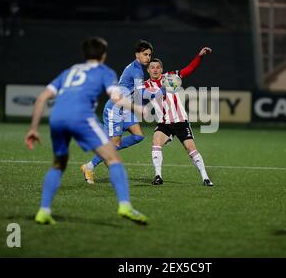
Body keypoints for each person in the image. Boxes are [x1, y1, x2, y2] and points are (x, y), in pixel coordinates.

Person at [25, 37, 148, 225]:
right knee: (113, 157)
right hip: (81, 117)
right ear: (103, 55)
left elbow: (42, 98)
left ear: (84, 54)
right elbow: (116, 99)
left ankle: (43, 211)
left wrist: (33, 129)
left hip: (57, 117)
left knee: (58, 164)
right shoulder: (105, 72)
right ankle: (124, 205)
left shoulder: (69, 71)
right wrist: (139, 108)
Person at [80, 40, 153, 184]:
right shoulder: (137, 70)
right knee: (115, 143)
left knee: (138, 136)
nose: (148, 58)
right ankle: (89, 166)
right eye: (145, 54)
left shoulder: (136, 67)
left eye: (150, 55)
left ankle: (109, 151)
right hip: (115, 109)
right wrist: (158, 92)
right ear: (137, 54)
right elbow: (140, 95)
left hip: (125, 108)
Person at [145, 47, 214, 186]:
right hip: (164, 123)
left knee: (191, 148)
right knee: (156, 142)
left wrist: (199, 56)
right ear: (148, 70)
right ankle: (158, 176)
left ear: (162, 69)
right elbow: (151, 95)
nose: (155, 69)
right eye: (152, 67)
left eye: (158, 67)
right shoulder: (145, 85)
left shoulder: (170, 77)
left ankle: (205, 178)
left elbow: (188, 70)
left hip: (180, 120)